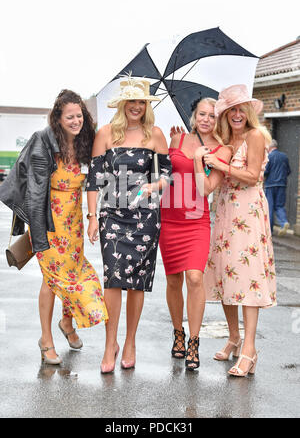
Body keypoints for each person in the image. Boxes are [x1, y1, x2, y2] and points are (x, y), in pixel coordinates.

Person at [0, 90, 108, 364]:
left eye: (79, 115)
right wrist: (37, 235)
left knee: (71, 276)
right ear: (58, 119)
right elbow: (35, 193)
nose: (75, 120)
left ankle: (66, 323)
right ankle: (46, 340)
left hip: (72, 224)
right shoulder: (43, 141)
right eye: (69, 116)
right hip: (47, 223)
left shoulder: (85, 141)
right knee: (52, 280)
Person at [86, 76, 172, 373]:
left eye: (141, 102)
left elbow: (167, 177)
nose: (136, 106)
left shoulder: (156, 135)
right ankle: (110, 344)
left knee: (136, 282)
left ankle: (130, 341)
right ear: (122, 104)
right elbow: (95, 180)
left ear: (146, 106)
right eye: (132, 101)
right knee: (113, 279)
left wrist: (153, 186)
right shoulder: (106, 134)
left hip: (145, 218)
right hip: (112, 215)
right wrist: (92, 217)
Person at [204, 84, 276, 377]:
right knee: (225, 276)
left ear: (248, 111)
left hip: (247, 212)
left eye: (240, 108)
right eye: (231, 109)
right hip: (222, 211)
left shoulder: (255, 136)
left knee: (247, 280)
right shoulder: (222, 140)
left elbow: (251, 176)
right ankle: (233, 337)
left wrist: (222, 165)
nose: (236, 114)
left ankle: (249, 349)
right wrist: (208, 163)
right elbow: (214, 178)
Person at [159, 97, 232, 370]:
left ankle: (194, 340)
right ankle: (178, 333)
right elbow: (164, 173)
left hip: (196, 222)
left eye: (212, 116)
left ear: (218, 119)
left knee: (194, 277)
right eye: (202, 114)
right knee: (174, 280)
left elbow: (206, 190)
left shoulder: (221, 151)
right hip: (169, 217)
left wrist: (201, 161)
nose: (206, 119)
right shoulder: (177, 139)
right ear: (194, 116)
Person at [264, 139, 291, 235]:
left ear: (270, 147)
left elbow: (265, 171)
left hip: (270, 185)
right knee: (279, 206)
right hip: (282, 185)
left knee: (269, 208)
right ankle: (284, 222)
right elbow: (288, 171)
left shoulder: (269, 157)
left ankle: (269, 231)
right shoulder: (284, 156)